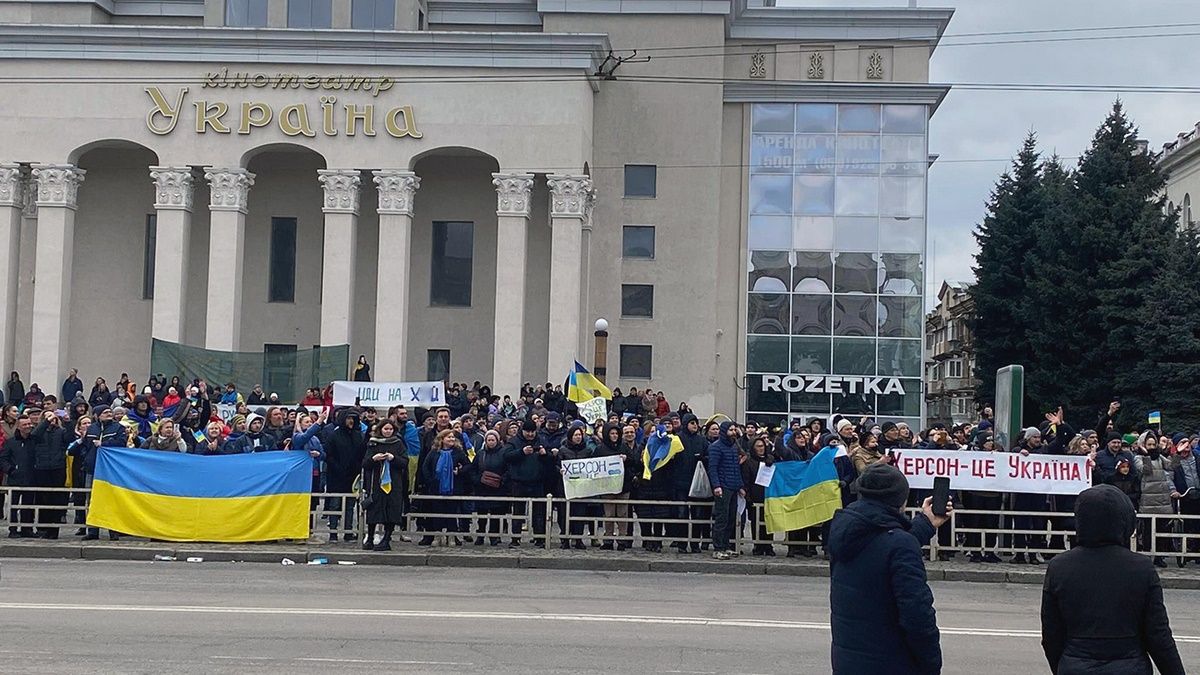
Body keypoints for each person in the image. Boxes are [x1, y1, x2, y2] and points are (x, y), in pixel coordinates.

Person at [1040, 484, 1184, 675]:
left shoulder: (1059, 566)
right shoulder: (1141, 568)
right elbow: (1158, 636)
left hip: (1075, 664)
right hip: (1130, 666)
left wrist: (1063, 667)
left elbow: (1051, 635)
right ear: (1124, 521)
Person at [828, 463, 951, 675]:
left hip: (848, 661)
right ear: (901, 500)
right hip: (892, 662)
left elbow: (881, 546)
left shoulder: (846, 530)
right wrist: (931, 663)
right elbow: (917, 616)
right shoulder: (898, 544)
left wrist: (926, 523)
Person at [361, 419, 407, 551]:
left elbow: (404, 462)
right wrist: (373, 459)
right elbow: (365, 464)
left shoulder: (398, 443)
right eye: (386, 429)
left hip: (393, 482)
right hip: (376, 482)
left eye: (390, 429)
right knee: (374, 509)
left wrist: (393, 458)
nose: (388, 432)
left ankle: (386, 539)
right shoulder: (373, 443)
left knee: (391, 510)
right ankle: (370, 538)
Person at [323, 408, 366, 542]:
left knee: (350, 506)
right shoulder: (334, 436)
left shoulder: (359, 435)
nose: (351, 421)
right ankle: (333, 533)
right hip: (336, 476)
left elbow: (362, 454)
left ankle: (348, 532)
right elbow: (329, 455)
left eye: (353, 419)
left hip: (353, 477)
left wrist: (358, 469)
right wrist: (337, 468)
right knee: (335, 505)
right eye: (348, 418)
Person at [707, 420, 743, 560]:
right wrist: (716, 486)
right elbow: (713, 468)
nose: (733, 432)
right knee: (721, 518)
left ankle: (727, 546)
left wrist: (740, 486)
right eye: (731, 430)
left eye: (735, 430)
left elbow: (736, 468)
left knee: (731, 518)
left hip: (733, 486)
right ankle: (718, 548)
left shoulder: (734, 446)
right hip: (723, 486)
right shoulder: (716, 447)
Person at [0, 414, 36, 537]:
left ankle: (27, 529)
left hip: (31, 478)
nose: (28, 426)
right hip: (15, 479)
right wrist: (10, 470)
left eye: (29, 424)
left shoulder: (34, 440)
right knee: (13, 506)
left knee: (28, 506)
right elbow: (3, 459)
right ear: (19, 426)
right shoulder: (11, 442)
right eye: (24, 424)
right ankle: (13, 529)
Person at [1171, 437, 1200, 565]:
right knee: (1187, 524)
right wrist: (1174, 490)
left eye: (1187, 442)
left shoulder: (1197, 458)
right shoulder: (1175, 461)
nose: (1186, 446)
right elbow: (1169, 476)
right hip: (1184, 497)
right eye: (1182, 443)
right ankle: (1187, 550)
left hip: (1198, 494)